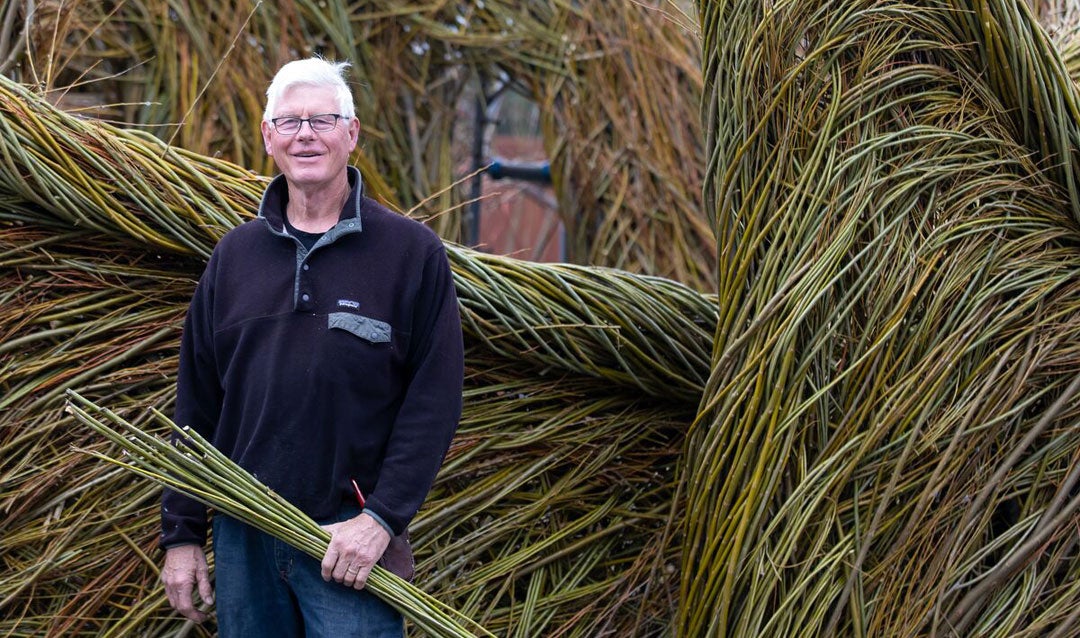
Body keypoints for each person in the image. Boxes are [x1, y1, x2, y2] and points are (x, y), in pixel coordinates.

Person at [158, 57, 464, 637]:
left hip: (348, 548)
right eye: (290, 122)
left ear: (352, 134)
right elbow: (195, 406)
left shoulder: (409, 253)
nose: (306, 135)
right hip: (243, 535)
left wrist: (380, 520)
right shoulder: (235, 257)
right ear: (269, 137)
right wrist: (182, 535)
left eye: (322, 120)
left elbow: (435, 402)